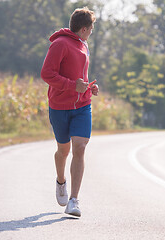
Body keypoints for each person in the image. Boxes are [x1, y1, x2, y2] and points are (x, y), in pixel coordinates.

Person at [41, 6, 98, 217]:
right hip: (60, 106)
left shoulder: (83, 45)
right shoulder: (60, 44)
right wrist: (72, 86)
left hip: (83, 105)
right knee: (63, 151)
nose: (92, 31)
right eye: (91, 28)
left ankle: (74, 200)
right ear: (84, 28)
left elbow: (80, 76)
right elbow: (47, 74)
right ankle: (60, 181)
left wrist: (89, 87)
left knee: (80, 147)